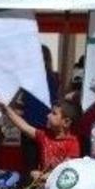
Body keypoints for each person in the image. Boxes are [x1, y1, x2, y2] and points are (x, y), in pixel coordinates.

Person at [0, 96, 81, 183]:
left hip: (59, 187)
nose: (48, 115)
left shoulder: (73, 143)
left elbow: (66, 169)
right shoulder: (44, 135)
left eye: (54, 113)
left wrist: (48, 175)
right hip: (42, 185)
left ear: (66, 122)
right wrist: (6, 109)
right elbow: (24, 127)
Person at [19, 45, 62, 176]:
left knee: (32, 163)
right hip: (42, 125)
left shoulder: (30, 78)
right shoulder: (53, 77)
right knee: (42, 162)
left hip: (36, 125)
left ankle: (32, 188)